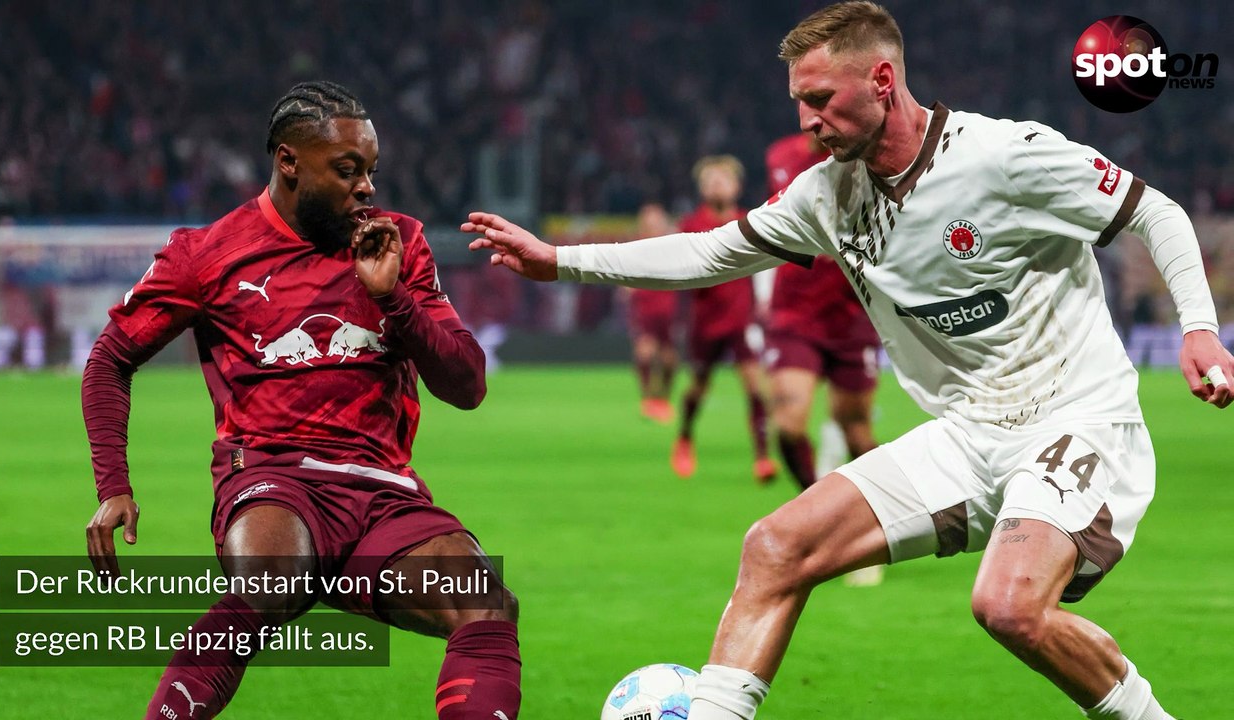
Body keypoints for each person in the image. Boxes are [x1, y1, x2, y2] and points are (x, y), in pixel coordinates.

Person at [461, 3, 1234, 718]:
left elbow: (1153, 211)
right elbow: (710, 252)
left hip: (1078, 421)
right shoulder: (824, 196)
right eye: (799, 102)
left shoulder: (1004, 157)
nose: (807, 121)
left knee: (1007, 607)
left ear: (882, 80)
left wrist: (1198, 328)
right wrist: (560, 260)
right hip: (969, 435)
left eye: (822, 99)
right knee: (774, 548)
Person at [82, 81, 520, 720]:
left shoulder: (397, 242)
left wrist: (393, 298)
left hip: (382, 494)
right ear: (289, 161)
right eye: (347, 170)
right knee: (267, 580)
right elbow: (109, 360)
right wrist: (113, 486)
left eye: (370, 171)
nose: (365, 187)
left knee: (487, 605)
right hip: (274, 478)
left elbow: (468, 386)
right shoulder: (207, 254)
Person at [764, 132, 886, 587]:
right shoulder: (781, 155)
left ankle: (877, 526)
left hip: (852, 314)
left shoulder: (870, 157)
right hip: (795, 313)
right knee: (789, 423)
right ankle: (821, 517)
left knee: (857, 431)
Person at [671, 155, 777, 482]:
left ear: (737, 187)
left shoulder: (749, 221)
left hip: (741, 321)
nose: (717, 185)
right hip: (705, 322)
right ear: (702, 188)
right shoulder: (690, 224)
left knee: (755, 388)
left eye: (723, 179)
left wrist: (765, 301)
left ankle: (762, 456)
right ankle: (685, 436)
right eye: (711, 180)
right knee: (698, 388)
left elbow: (766, 265)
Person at [626, 203, 681, 423]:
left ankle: (663, 398)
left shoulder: (673, 247)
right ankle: (648, 399)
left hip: (668, 307)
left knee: (669, 358)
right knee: (645, 352)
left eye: (656, 222)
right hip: (644, 307)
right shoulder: (634, 246)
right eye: (649, 222)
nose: (652, 226)